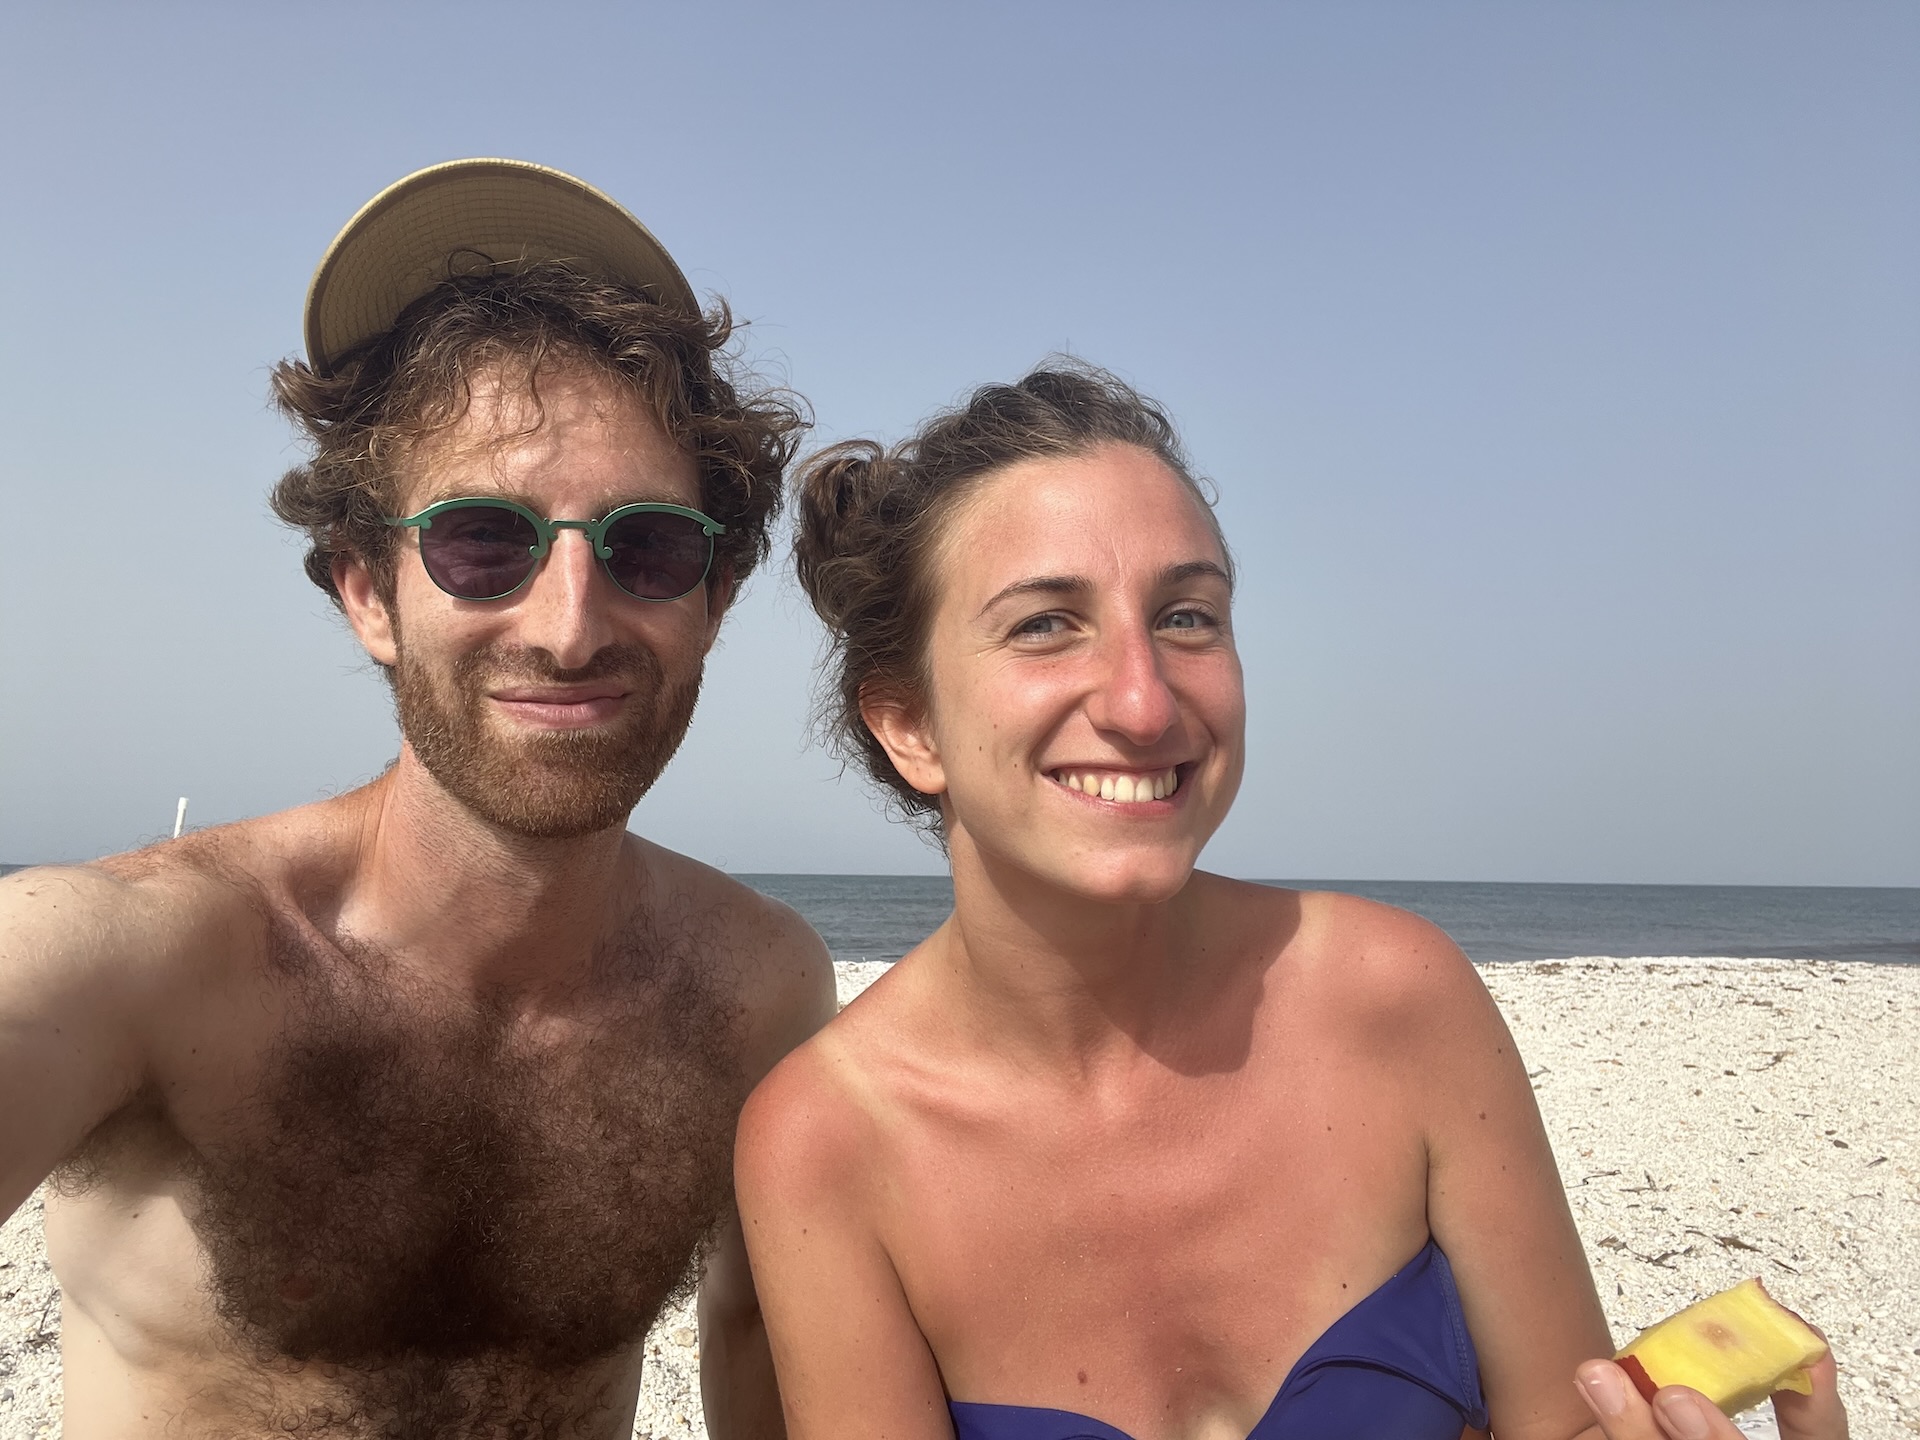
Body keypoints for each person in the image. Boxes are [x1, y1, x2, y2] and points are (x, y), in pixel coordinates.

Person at [735, 365, 1850, 1440]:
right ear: (910, 726)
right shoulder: (828, 1144)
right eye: (1045, 623)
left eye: (1186, 617)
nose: (1142, 697)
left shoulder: (1397, 997)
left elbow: (1560, 1419)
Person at [0, 159, 834, 1438]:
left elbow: (761, 1338)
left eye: (649, 547)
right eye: (484, 542)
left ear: (714, 601)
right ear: (367, 591)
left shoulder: (753, 991)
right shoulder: (129, 963)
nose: (568, 628)